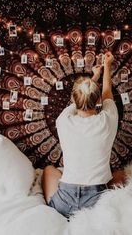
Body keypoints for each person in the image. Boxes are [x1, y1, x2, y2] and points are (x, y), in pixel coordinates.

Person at [42, 51, 125, 219]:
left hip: (64, 202)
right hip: (96, 202)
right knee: (122, 174)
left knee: (49, 170)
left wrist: (94, 77)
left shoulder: (63, 120)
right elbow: (108, 93)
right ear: (98, 101)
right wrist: (106, 67)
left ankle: (58, 211)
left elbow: (80, 98)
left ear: (74, 99)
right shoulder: (108, 120)